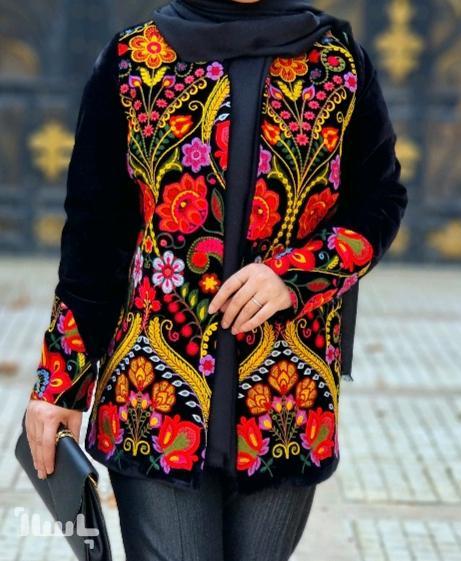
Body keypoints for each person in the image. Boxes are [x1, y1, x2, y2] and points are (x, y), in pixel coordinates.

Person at [24, 0, 408, 559]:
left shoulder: (337, 63)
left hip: (286, 400)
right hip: (154, 397)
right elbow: (94, 235)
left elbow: (380, 199)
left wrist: (294, 276)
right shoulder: (135, 59)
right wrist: (59, 386)